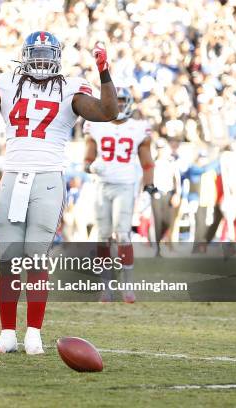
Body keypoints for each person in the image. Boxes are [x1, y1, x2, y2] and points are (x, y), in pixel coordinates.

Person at [0, 29, 118, 354]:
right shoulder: (8, 84)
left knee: (36, 257)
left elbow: (108, 112)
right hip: (12, 175)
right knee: (8, 260)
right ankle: (7, 334)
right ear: (26, 58)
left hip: (48, 179)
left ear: (56, 59)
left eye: (46, 56)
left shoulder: (71, 89)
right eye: (36, 56)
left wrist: (104, 72)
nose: (41, 62)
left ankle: (34, 333)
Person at [83, 87, 156, 303]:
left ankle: (127, 284)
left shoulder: (138, 128)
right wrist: (92, 167)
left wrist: (149, 188)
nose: (120, 105)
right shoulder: (95, 125)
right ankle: (105, 286)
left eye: (123, 101)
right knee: (103, 236)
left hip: (125, 186)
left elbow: (147, 162)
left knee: (123, 234)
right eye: (117, 101)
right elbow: (87, 160)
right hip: (102, 186)